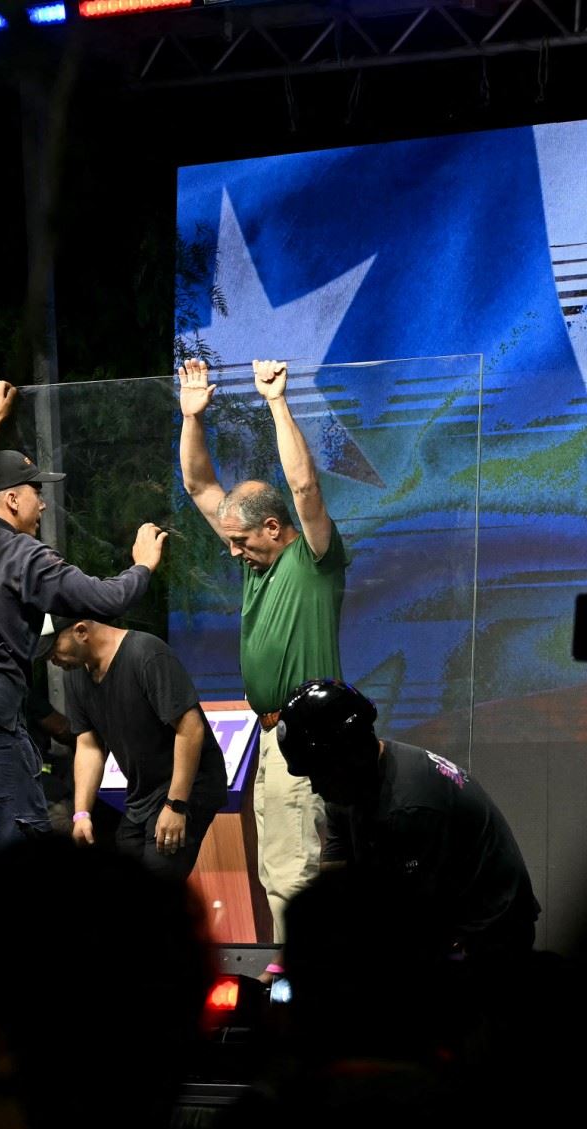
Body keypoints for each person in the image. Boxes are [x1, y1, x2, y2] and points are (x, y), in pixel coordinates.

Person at [0, 379, 168, 940]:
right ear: (10, 500)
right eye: (35, 491)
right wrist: (143, 565)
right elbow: (107, 600)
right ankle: (26, 1012)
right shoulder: (21, 554)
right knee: (22, 881)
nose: (43, 501)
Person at [179, 357, 350, 941]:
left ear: (274, 528)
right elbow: (200, 486)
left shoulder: (314, 560)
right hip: (273, 731)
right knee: (279, 863)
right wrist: (192, 418)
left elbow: (303, 486)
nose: (234, 553)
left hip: (307, 732)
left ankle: (296, 984)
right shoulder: (256, 569)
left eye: (242, 541)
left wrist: (276, 401)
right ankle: (294, 974)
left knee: (291, 869)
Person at [276, 679, 539, 958]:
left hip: (491, 932)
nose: (316, 787)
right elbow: (334, 885)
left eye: (320, 773)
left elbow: (414, 920)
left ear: (353, 754)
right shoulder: (347, 787)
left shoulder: (410, 808)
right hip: (443, 918)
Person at [42, 614, 227, 883]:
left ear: (81, 631)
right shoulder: (77, 676)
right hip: (142, 795)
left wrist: (176, 806)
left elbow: (190, 728)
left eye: (52, 649)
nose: (52, 659)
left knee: (155, 889)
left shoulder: (145, 654)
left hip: (189, 786)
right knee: (126, 882)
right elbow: (89, 745)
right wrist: (81, 814)